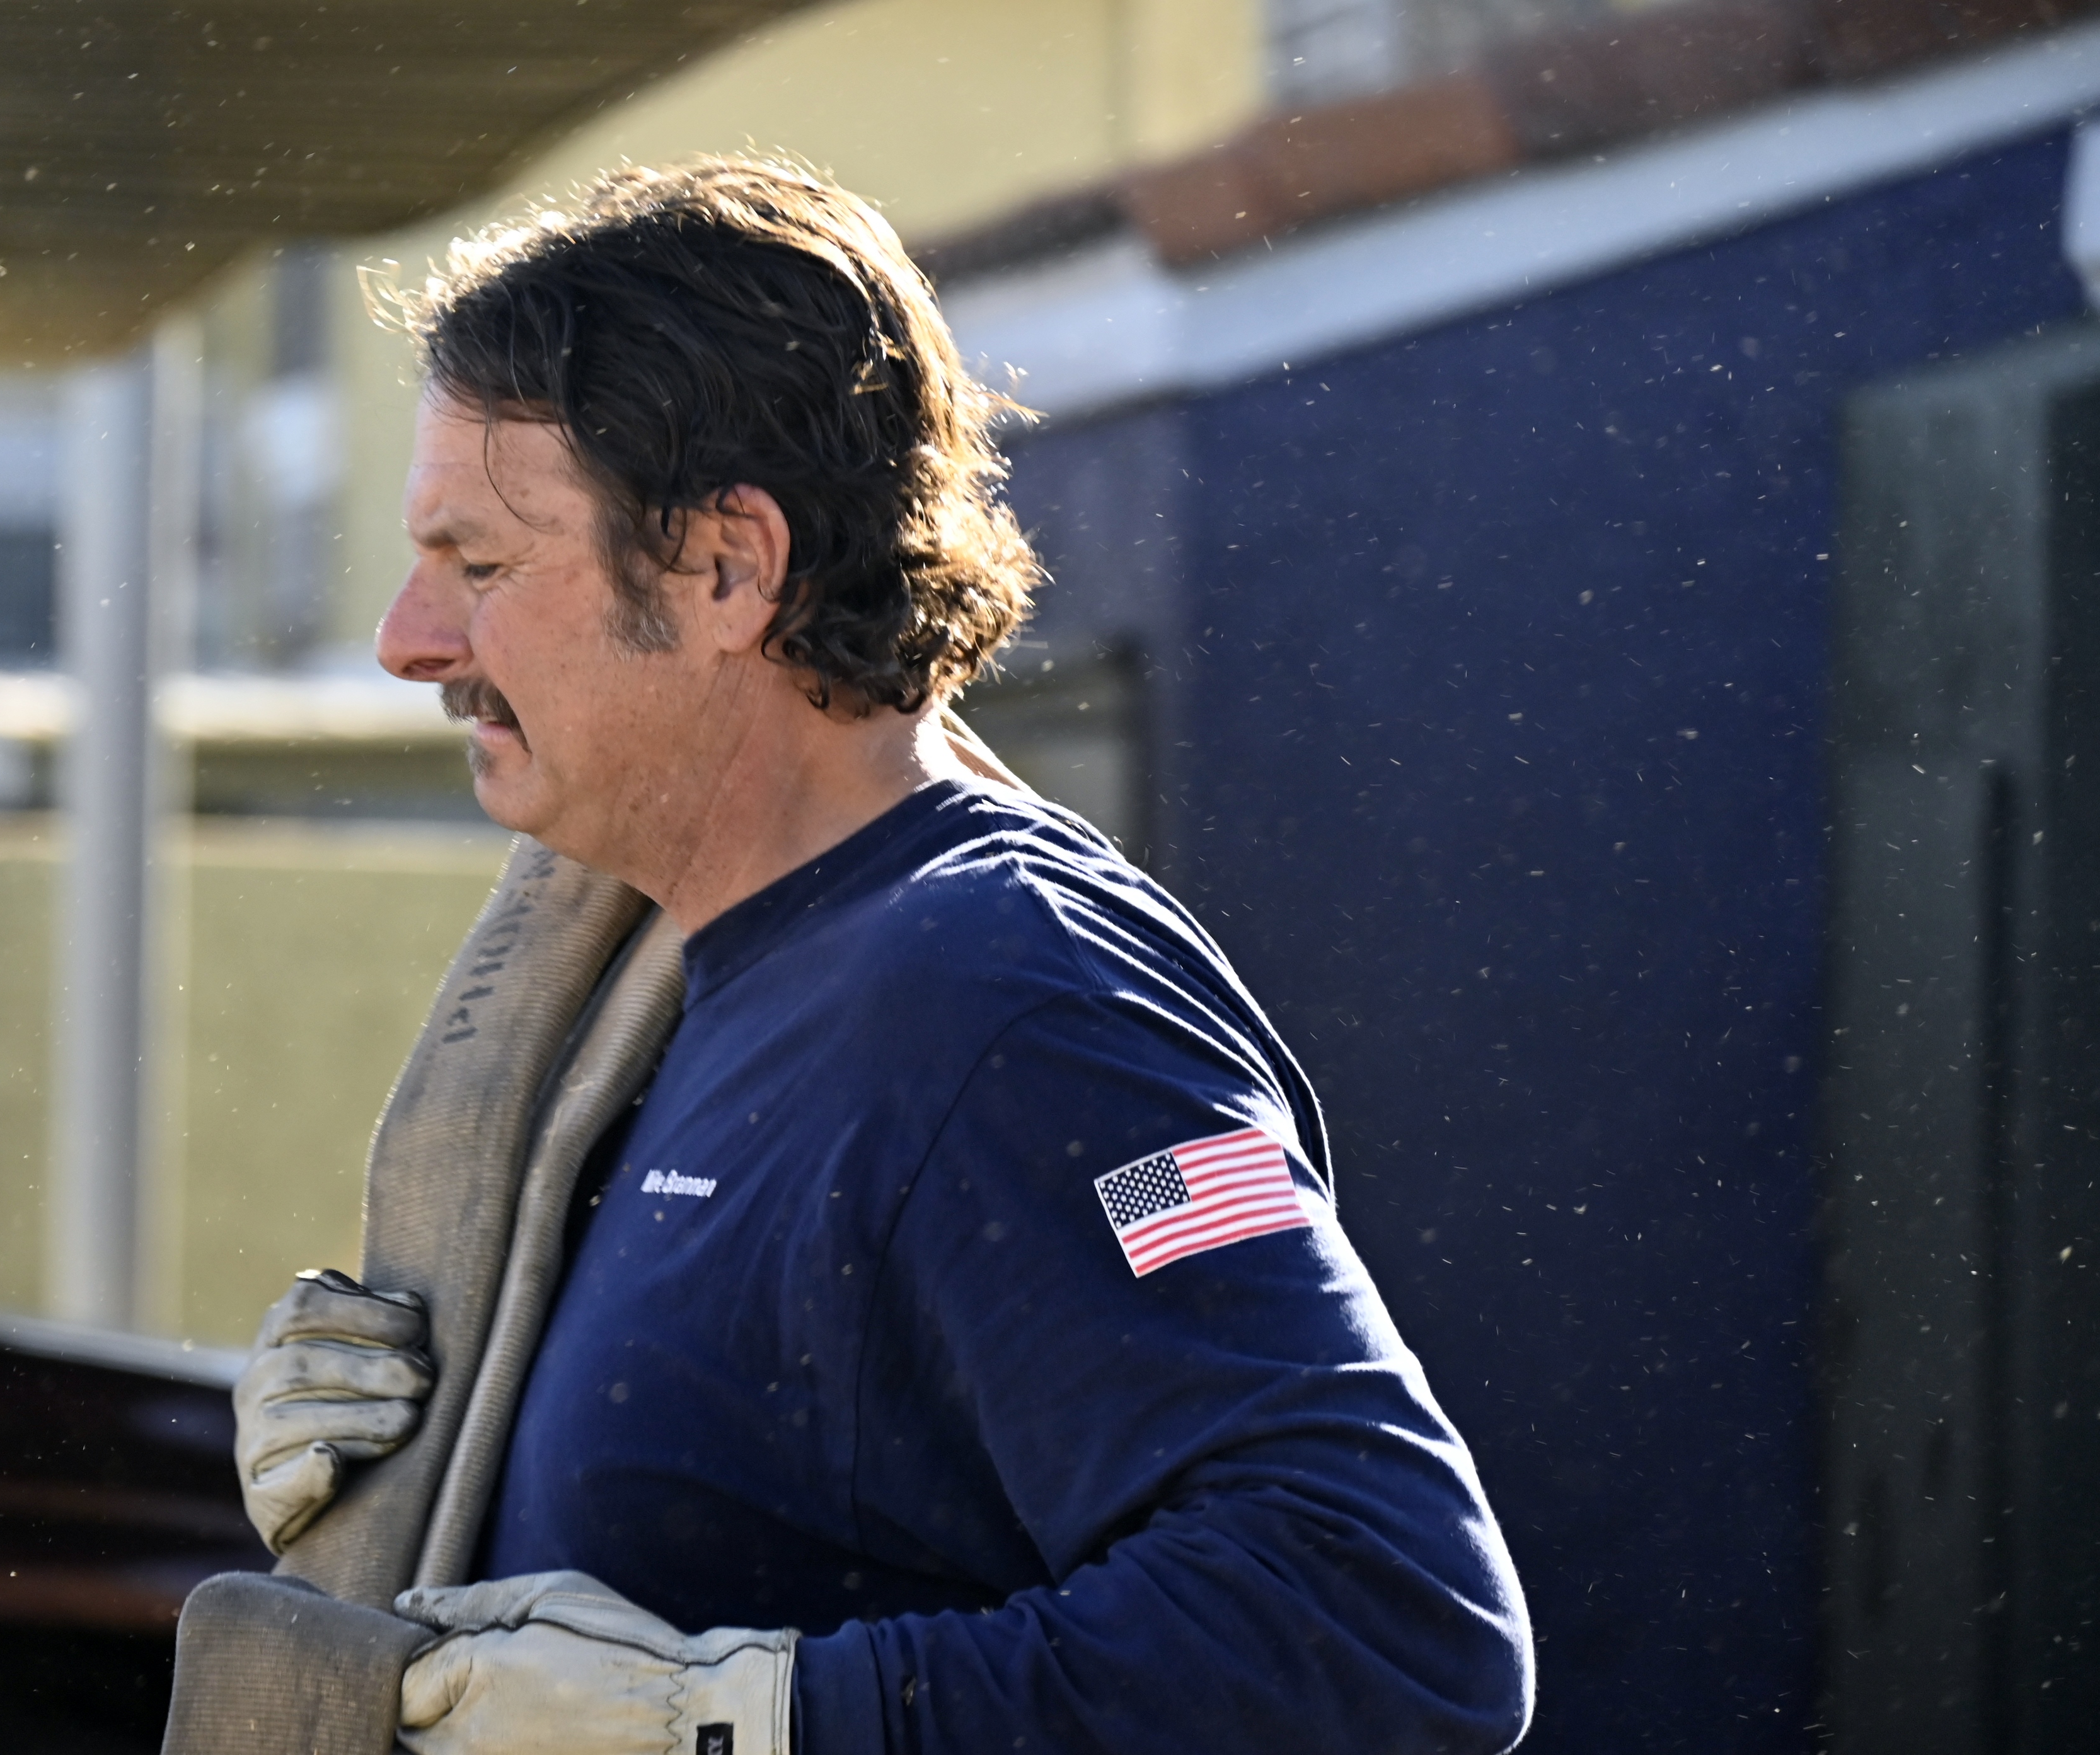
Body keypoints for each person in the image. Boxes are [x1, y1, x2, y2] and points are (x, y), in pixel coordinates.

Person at [236, 156, 1532, 1755]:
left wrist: (731, 1724)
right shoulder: (669, 985)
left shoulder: (1024, 1004)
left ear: (728, 567)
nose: (407, 640)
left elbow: (1385, 1619)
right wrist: (409, 1463)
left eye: (483, 566)